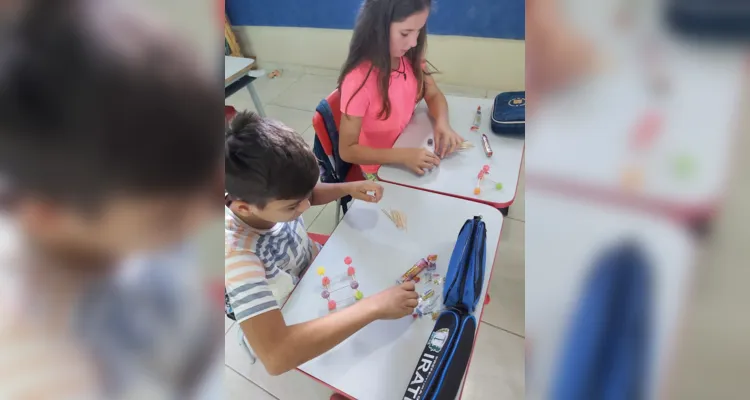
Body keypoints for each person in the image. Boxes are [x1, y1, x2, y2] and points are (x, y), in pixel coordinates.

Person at [0, 0, 222, 397]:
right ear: (48, 214)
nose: (200, 220)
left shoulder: (114, 205)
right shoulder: (42, 370)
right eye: (167, 218)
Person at [224, 111, 420, 376]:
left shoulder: (267, 194)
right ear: (245, 209)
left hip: (310, 269)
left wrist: (347, 188)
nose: (305, 207)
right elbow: (276, 356)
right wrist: (374, 307)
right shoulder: (236, 254)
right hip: (285, 307)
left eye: (305, 196)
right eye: (293, 206)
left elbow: (306, 195)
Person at [337, 0, 464, 179]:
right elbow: (347, 150)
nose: (413, 42)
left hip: (409, 145)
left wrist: (443, 123)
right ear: (377, 28)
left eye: (419, 31)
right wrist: (403, 156)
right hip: (380, 169)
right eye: (405, 33)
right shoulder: (358, 81)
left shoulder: (409, 57)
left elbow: (433, 94)